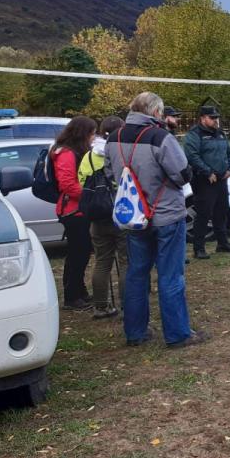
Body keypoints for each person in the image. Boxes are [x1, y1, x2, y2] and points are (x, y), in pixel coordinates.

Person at [104, 92, 206, 348]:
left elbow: (108, 171)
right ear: (156, 113)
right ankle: (178, 334)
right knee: (171, 276)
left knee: (137, 274)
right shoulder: (161, 138)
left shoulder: (114, 138)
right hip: (166, 215)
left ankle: (135, 332)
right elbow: (183, 175)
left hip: (135, 216)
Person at [78, 116, 128, 319]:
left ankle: (100, 305)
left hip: (97, 216)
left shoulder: (88, 157)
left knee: (102, 261)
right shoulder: (119, 154)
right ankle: (128, 304)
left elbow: (81, 181)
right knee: (126, 262)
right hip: (119, 213)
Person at [52, 116, 96, 310]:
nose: (93, 138)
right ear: (82, 134)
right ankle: (71, 296)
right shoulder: (67, 154)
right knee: (78, 254)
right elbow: (68, 184)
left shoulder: (74, 151)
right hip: (73, 211)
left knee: (81, 252)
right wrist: (90, 196)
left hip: (79, 209)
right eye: (92, 134)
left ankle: (79, 290)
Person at [184, 104, 230, 259]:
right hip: (204, 181)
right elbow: (192, 156)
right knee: (203, 214)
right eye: (212, 118)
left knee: (221, 212)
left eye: (216, 118)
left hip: (221, 180)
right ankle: (199, 248)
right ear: (202, 118)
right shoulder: (194, 135)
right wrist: (207, 172)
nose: (215, 121)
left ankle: (223, 243)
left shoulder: (220, 134)